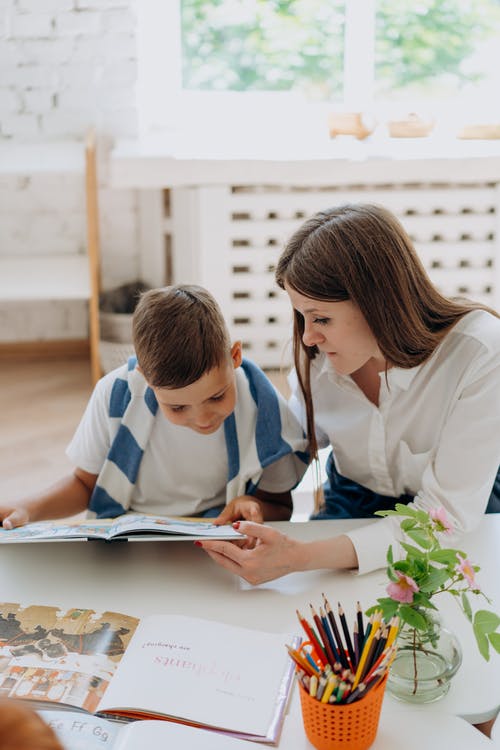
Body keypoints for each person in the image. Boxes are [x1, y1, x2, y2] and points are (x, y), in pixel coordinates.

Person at [198, 203, 500, 583]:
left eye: (321, 318)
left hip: (461, 508)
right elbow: (295, 445)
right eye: (302, 317)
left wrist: (299, 556)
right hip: (354, 500)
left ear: (380, 302)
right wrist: (255, 501)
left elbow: (445, 518)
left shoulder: (480, 351)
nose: (308, 336)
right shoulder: (319, 359)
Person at [0, 285, 307, 529]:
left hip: (217, 538)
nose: (202, 418)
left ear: (235, 356)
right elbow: (84, 485)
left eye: (216, 397)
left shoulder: (261, 404)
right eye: (177, 407)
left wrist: (254, 508)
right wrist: (29, 508)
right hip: (129, 534)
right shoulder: (115, 395)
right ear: (143, 377)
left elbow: (281, 507)